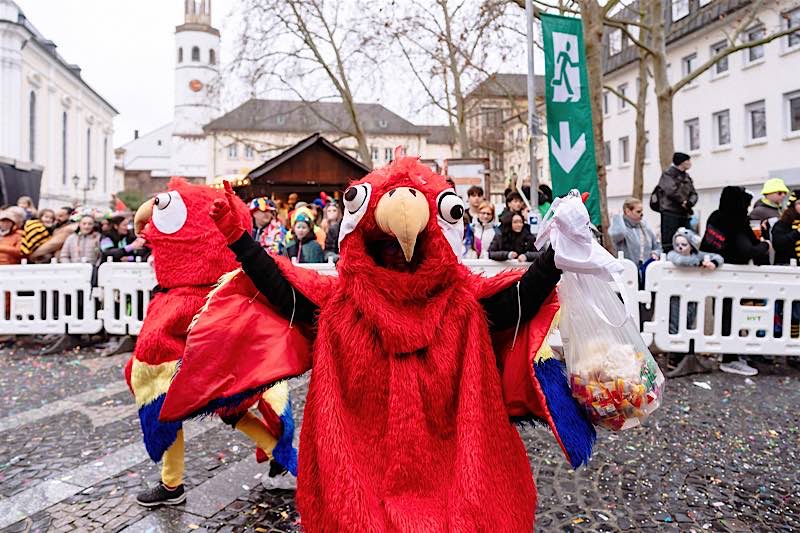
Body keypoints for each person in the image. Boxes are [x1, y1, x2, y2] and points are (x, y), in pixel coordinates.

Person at [700, 186, 769, 376]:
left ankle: (731, 355)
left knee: (724, 315)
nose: (747, 209)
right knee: (731, 317)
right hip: (733, 277)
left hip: (717, 275)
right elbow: (747, 250)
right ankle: (730, 359)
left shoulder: (716, 217)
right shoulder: (735, 220)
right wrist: (765, 244)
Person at [666, 228, 723, 334]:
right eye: (677, 244)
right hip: (676, 292)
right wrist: (699, 263)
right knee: (675, 319)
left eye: (684, 244)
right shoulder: (672, 254)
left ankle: (688, 343)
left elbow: (718, 257)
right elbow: (680, 261)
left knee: (690, 318)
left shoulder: (697, 254)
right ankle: (674, 344)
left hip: (694, 292)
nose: (680, 247)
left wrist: (713, 263)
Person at [770, 189, 800, 340]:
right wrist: (797, 233)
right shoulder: (782, 224)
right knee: (788, 310)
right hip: (786, 272)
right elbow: (779, 244)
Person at [656, 152, 697, 252]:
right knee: (669, 241)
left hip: (684, 213)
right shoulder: (668, 174)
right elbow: (671, 190)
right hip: (670, 212)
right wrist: (682, 201)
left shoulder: (687, 177)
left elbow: (694, 193)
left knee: (688, 239)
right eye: (687, 160)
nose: (690, 163)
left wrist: (690, 203)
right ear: (681, 162)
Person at [609, 198, 661, 266]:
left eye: (642, 211)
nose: (642, 214)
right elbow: (618, 234)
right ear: (628, 211)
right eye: (638, 211)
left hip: (646, 269)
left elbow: (657, 247)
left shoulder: (645, 227)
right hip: (628, 270)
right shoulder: (620, 226)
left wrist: (656, 254)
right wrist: (617, 217)